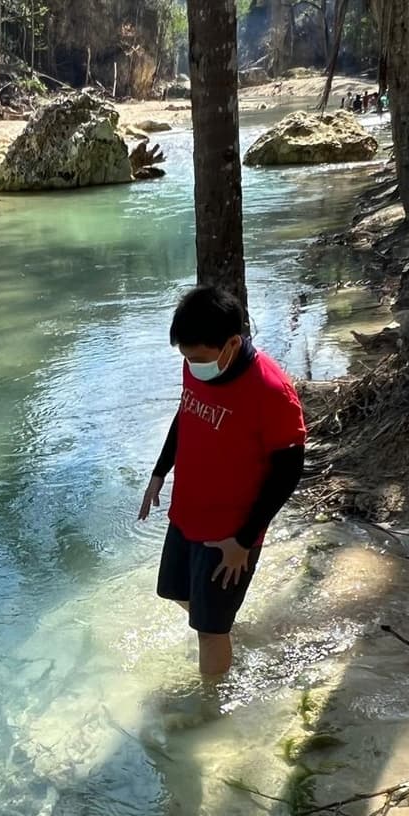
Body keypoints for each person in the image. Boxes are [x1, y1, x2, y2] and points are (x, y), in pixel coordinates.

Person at [137, 286, 306, 680]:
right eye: (186, 358)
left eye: (199, 358)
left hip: (229, 534)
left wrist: (243, 542)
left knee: (207, 633)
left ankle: (209, 711)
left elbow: (289, 471)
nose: (192, 366)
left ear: (232, 342)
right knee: (176, 593)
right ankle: (226, 629)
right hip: (188, 513)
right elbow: (186, 415)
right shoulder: (197, 364)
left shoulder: (272, 392)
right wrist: (159, 473)